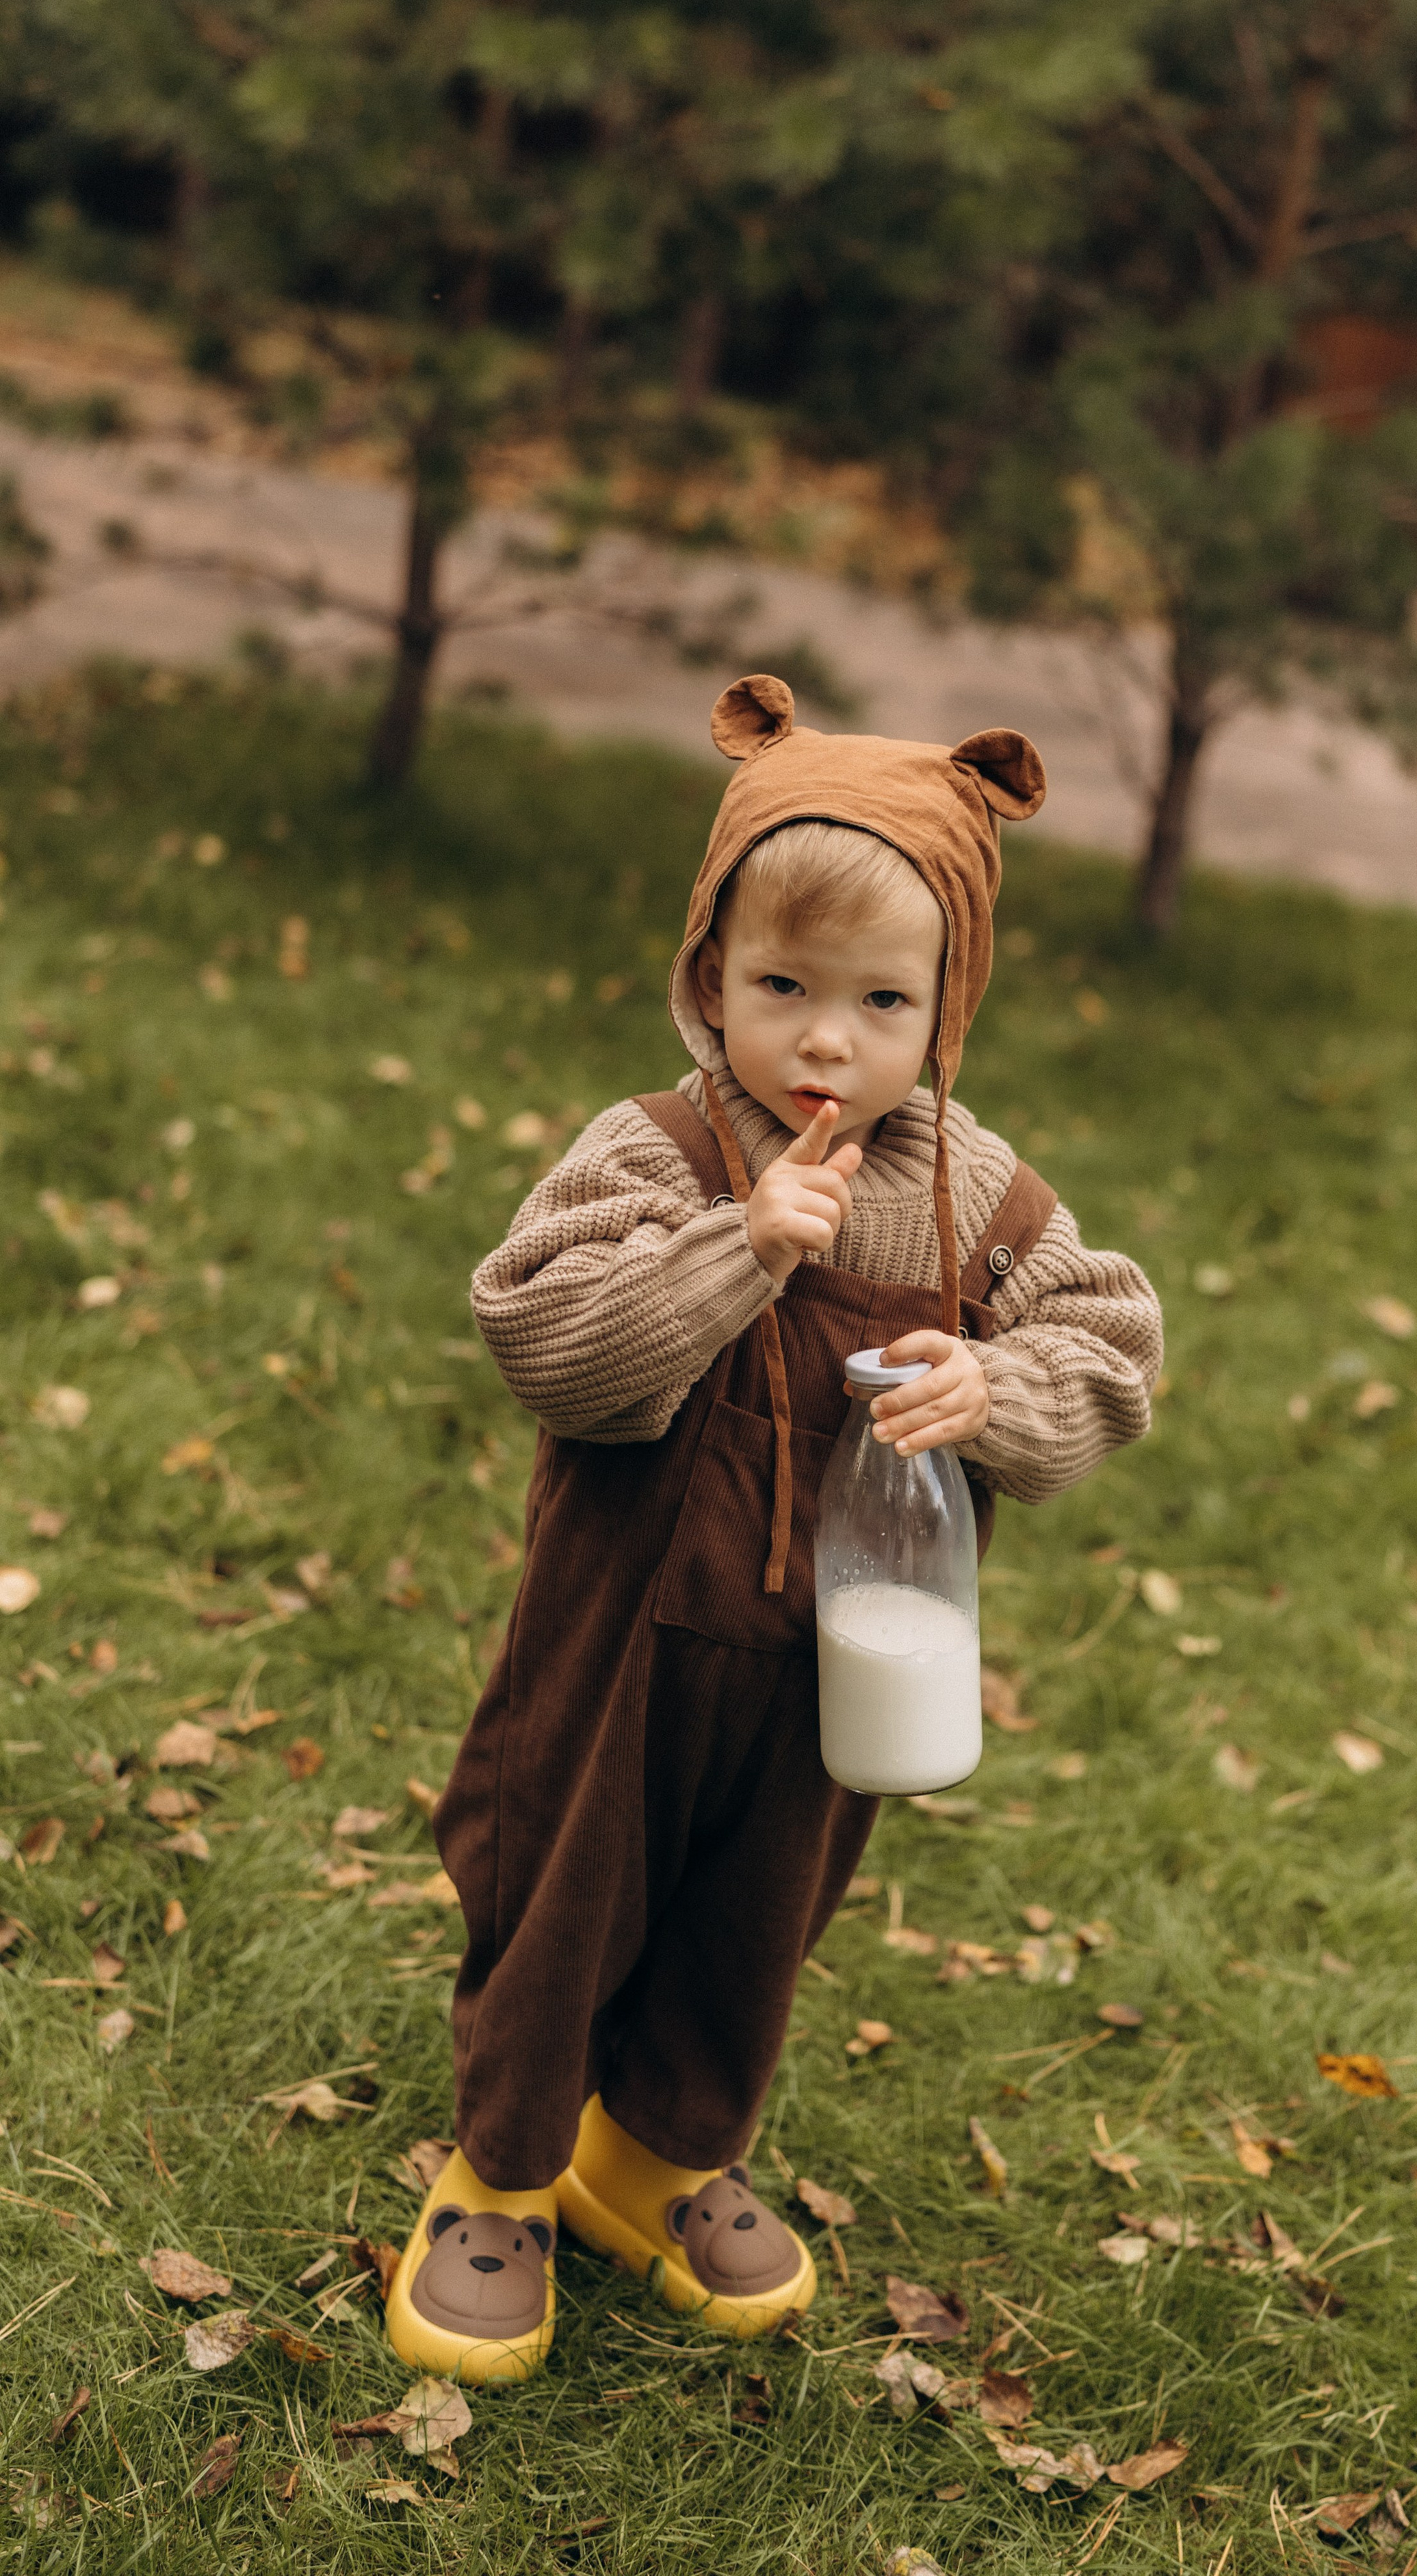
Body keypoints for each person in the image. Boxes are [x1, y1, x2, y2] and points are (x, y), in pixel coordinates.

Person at [385, 674, 1165, 2380]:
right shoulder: (660, 1149)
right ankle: (502, 2170)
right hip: (625, 1639)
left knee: (766, 1900)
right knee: (566, 1880)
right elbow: (545, 1343)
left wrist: (1000, 1393)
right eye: (781, 988)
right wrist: (735, 1247)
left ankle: (657, 2149)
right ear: (706, 976)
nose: (826, 1040)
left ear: (946, 1006)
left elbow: (1111, 1340)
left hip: (841, 1656)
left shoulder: (978, 1195)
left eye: (880, 1000)